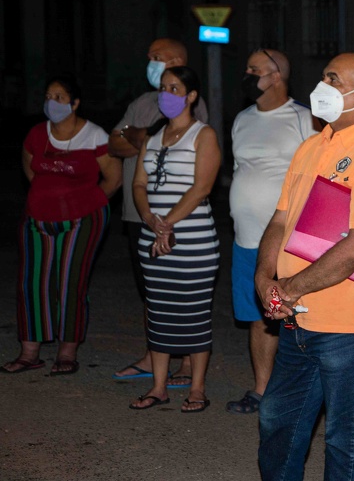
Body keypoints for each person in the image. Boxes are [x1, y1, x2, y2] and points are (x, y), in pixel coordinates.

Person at [254, 53, 354, 480]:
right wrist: (264, 278)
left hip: (347, 327)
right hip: (296, 318)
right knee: (277, 422)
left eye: (332, 79)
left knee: (346, 441)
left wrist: (288, 288)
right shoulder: (311, 147)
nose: (321, 86)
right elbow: (281, 219)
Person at [2, 75, 121, 375]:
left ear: (75, 103)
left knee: (70, 282)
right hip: (37, 219)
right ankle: (29, 353)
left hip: (82, 220)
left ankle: (67, 352)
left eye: (59, 97)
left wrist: (84, 203)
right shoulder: (36, 134)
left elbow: (113, 178)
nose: (51, 103)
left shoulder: (94, 135)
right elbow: (31, 171)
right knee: (32, 283)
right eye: (48, 96)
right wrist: (50, 199)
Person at [109, 38, 208, 387]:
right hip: (139, 215)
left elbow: (179, 149)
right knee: (152, 291)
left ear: (178, 60)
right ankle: (155, 357)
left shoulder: (192, 104)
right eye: (149, 56)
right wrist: (139, 136)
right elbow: (114, 143)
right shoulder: (142, 102)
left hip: (179, 219)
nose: (150, 62)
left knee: (184, 292)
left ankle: (186, 364)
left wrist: (136, 136)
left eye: (157, 57)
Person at [225, 48, 314, 414]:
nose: (246, 74)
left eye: (254, 69)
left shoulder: (304, 119)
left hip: (288, 243)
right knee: (259, 316)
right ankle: (261, 391)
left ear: (276, 76)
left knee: (294, 316)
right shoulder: (242, 119)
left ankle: (297, 393)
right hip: (246, 239)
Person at [127, 66, 221, 412]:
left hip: (193, 243)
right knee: (158, 312)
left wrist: (165, 223)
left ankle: (197, 388)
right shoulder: (152, 137)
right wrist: (150, 219)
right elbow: (139, 184)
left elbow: (202, 188)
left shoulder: (203, 135)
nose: (166, 94)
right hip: (153, 238)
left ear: (191, 96)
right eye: (163, 88)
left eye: (174, 88)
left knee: (194, 312)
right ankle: (158, 387)